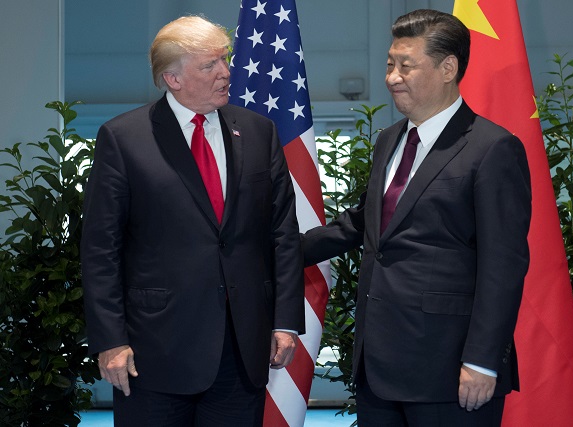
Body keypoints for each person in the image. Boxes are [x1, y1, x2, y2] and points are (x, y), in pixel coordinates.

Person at [302, 9, 531, 426]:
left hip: (450, 370)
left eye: (406, 65)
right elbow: (369, 221)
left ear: (448, 68)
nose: (392, 77)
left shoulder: (493, 148)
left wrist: (482, 361)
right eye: (390, 64)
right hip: (378, 366)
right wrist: (283, 248)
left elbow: (504, 265)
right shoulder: (390, 140)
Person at [81, 15, 304, 426]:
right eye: (209, 65)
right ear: (173, 78)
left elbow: (283, 235)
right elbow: (100, 250)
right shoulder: (124, 138)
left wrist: (287, 321)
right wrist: (110, 341)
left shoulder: (259, 131)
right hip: (154, 352)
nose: (226, 73)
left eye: (225, 60)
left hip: (242, 351)